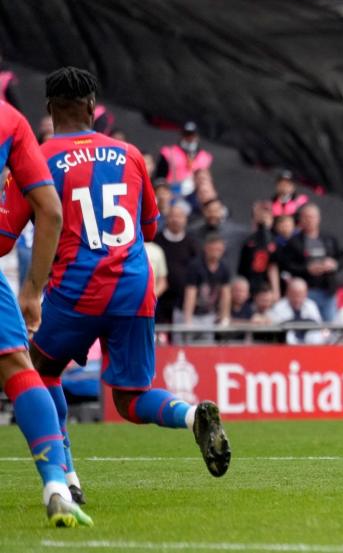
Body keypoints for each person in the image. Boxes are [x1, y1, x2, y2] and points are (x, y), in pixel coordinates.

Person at [25, 68, 230, 510]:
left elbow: (11, 230)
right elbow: (152, 227)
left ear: (48, 109)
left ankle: (65, 477)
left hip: (78, 286)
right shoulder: (130, 153)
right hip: (134, 287)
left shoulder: (38, 158)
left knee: (38, 370)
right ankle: (193, 416)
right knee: (130, 399)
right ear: (92, 106)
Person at [0, 90, 88, 526]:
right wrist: (32, 290)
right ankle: (57, 482)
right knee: (19, 367)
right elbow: (49, 212)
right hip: (108, 281)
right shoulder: (10, 121)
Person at [275, 203, 343, 322]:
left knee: (329, 325)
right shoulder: (294, 242)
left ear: (318, 218)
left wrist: (334, 264)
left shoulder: (329, 239)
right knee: (309, 324)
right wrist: (306, 268)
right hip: (306, 292)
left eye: (312, 217)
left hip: (327, 290)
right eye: (306, 217)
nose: (309, 220)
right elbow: (286, 264)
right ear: (301, 219)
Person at [155, 201, 200, 326]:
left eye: (179, 216)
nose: (176, 220)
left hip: (183, 300)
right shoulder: (156, 241)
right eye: (172, 216)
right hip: (159, 300)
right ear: (167, 218)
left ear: (185, 219)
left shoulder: (192, 243)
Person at [182, 232, 232, 332]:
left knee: (207, 345)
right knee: (184, 345)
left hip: (208, 314)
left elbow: (225, 295)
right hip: (190, 312)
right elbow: (190, 293)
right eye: (212, 249)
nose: (215, 252)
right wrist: (187, 320)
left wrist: (225, 318)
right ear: (206, 248)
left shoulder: (224, 268)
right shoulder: (195, 266)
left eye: (218, 249)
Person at [156, 121, 211, 197]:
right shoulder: (169, 152)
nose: (189, 137)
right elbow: (160, 176)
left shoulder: (205, 157)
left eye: (192, 134)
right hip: (172, 193)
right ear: (182, 134)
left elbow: (206, 180)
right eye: (187, 134)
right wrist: (162, 189)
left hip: (196, 196)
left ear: (197, 135)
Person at [237, 201, 278, 297]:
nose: (263, 215)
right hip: (245, 282)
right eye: (261, 212)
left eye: (267, 213)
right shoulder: (245, 236)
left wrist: (275, 291)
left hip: (263, 286)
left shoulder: (273, 240)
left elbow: (273, 266)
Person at [268, 277, 326, 345]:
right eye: (294, 295)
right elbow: (277, 328)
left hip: (307, 342)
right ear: (288, 293)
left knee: (315, 334)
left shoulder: (311, 305)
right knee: (288, 335)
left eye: (300, 295)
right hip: (286, 347)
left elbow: (318, 325)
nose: (297, 299)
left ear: (305, 294)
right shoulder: (279, 307)